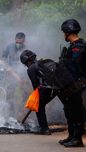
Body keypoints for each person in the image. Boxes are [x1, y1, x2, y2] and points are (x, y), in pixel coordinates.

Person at [58, 19, 85, 147]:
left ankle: (78, 139)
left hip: (77, 83)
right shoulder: (73, 47)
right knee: (68, 110)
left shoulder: (79, 48)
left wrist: (64, 63)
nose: (64, 35)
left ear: (68, 32)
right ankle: (72, 136)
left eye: (64, 32)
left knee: (76, 111)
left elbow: (75, 67)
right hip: (70, 84)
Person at [20, 50, 57, 135]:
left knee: (38, 105)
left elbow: (35, 85)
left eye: (25, 63)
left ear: (27, 61)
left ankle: (44, 129)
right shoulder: (42, 62)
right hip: (57, 87)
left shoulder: (31, 69)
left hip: (46, 89)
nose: (26, 65)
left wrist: (36, 98)